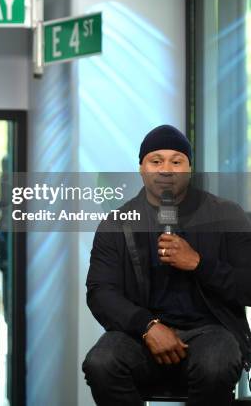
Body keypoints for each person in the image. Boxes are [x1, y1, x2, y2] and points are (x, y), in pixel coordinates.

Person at [82, 124, 251, 406]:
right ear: (141, 168)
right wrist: (147, 326)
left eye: (177, 161)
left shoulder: (226, 215)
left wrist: (198, 263)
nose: (167, 169)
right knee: (102, 362)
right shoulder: (116, 223)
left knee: (217, 362)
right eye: (156, 160)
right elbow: (100, 292)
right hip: (140, 334)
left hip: (210, 331)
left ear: (189, 168)